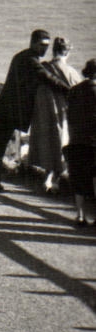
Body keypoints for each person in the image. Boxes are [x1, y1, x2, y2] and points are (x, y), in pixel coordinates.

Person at [0, 29, 53, 192]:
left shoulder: (23, 56)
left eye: (48, 46)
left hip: (6, 107)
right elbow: (47, 77)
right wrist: (70, 90)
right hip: (8, 110)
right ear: (33, 43)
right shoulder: (30, 60)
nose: (45, 49)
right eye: (42, 45)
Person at [27, 37, 80, 192]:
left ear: (53, 50)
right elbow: (78, 93)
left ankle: (48, 177)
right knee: (61, 145)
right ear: (68, 52)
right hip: (61, 113)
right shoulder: (71, 72)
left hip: (43, 112)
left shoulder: (44, 67)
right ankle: (54, 180)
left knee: (47, 145)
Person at [64, 59, 96, 227]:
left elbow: (69, 116)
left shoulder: (74, 91)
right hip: (94, 142)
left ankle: (80, 215)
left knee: (80, 180)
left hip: (77, 140)